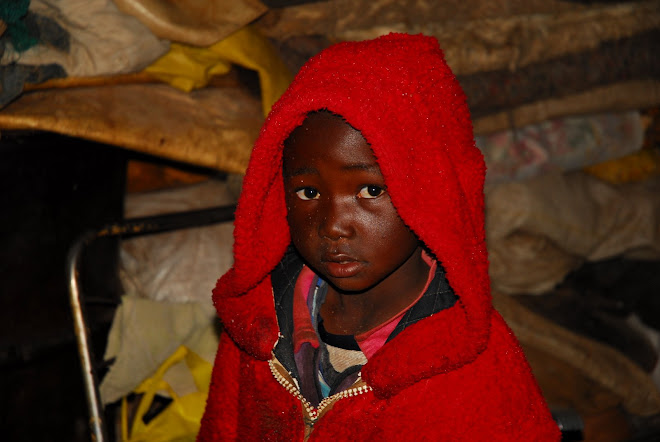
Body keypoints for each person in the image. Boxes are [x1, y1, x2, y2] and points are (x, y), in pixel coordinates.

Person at [198, 33, 560, 440]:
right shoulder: (258, 325)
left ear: (431, 192)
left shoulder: (470, 364)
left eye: (370, 190)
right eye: (309, 192)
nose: (333, 225)